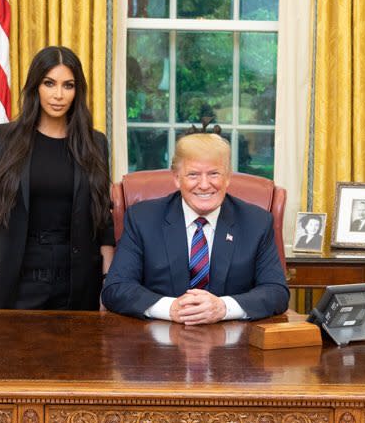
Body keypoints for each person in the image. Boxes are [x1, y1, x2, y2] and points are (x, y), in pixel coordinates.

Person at [0, 46, 114, 310]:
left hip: (78, 281)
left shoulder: (95, 143)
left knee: (77, 353)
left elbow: (103, 219)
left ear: (77, 91)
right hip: (14, 276)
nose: (58, 95)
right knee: (9, 352)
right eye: (49, 83)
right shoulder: (1, 139)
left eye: (68, 85)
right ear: (35, 86)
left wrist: (107, 283)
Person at [102, 133, 288, 324]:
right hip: (157, 340)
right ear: (176, 178)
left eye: (214, 174)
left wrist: (223, 308)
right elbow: (116, 288)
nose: (205, 185)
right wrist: (170, 308)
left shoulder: (257, 222)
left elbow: (276, 292)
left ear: (228, 177)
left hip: (234, 341)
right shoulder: (142, 218)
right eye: (193, 175)